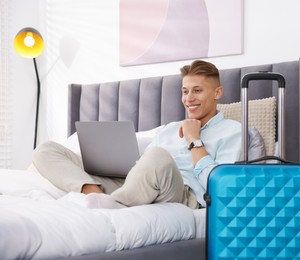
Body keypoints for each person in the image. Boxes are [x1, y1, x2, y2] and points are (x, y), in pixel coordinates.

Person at [32, 60, 242, 209]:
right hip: (136, 183)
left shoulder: (233, 131)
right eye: (185, 91)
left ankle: (114, 205)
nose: (189, 98)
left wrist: (193, 140)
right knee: (45, 150)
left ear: (217, 93)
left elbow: (219, 187)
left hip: (182, 194)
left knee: (158, 156)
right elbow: (143, 167)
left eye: (197, 91)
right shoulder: (169, 129)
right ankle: (93, 193)